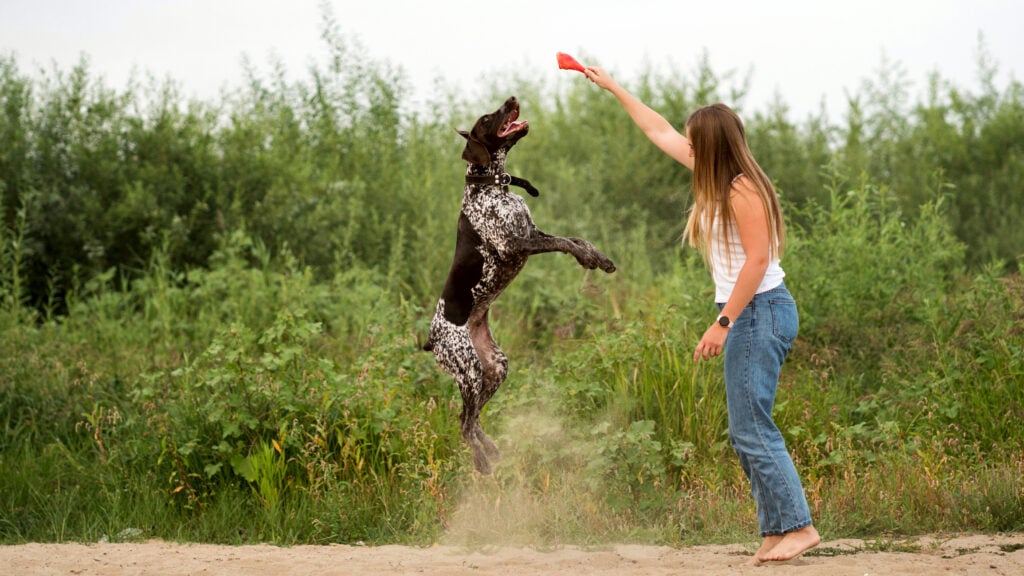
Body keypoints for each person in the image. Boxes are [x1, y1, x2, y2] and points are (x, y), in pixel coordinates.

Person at [584, 65, 820, 564]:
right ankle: (777, 529)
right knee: (745, 429)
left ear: (711, 144)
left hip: (759, 312)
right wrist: (612, 86)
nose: (686, 144)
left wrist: (723, 322)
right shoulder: (715, 176)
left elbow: (757, 262)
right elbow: (656, 129)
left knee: (753, 427)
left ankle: (799, 526)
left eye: (694, 140)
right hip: (749, 313)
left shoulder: (741, 190)